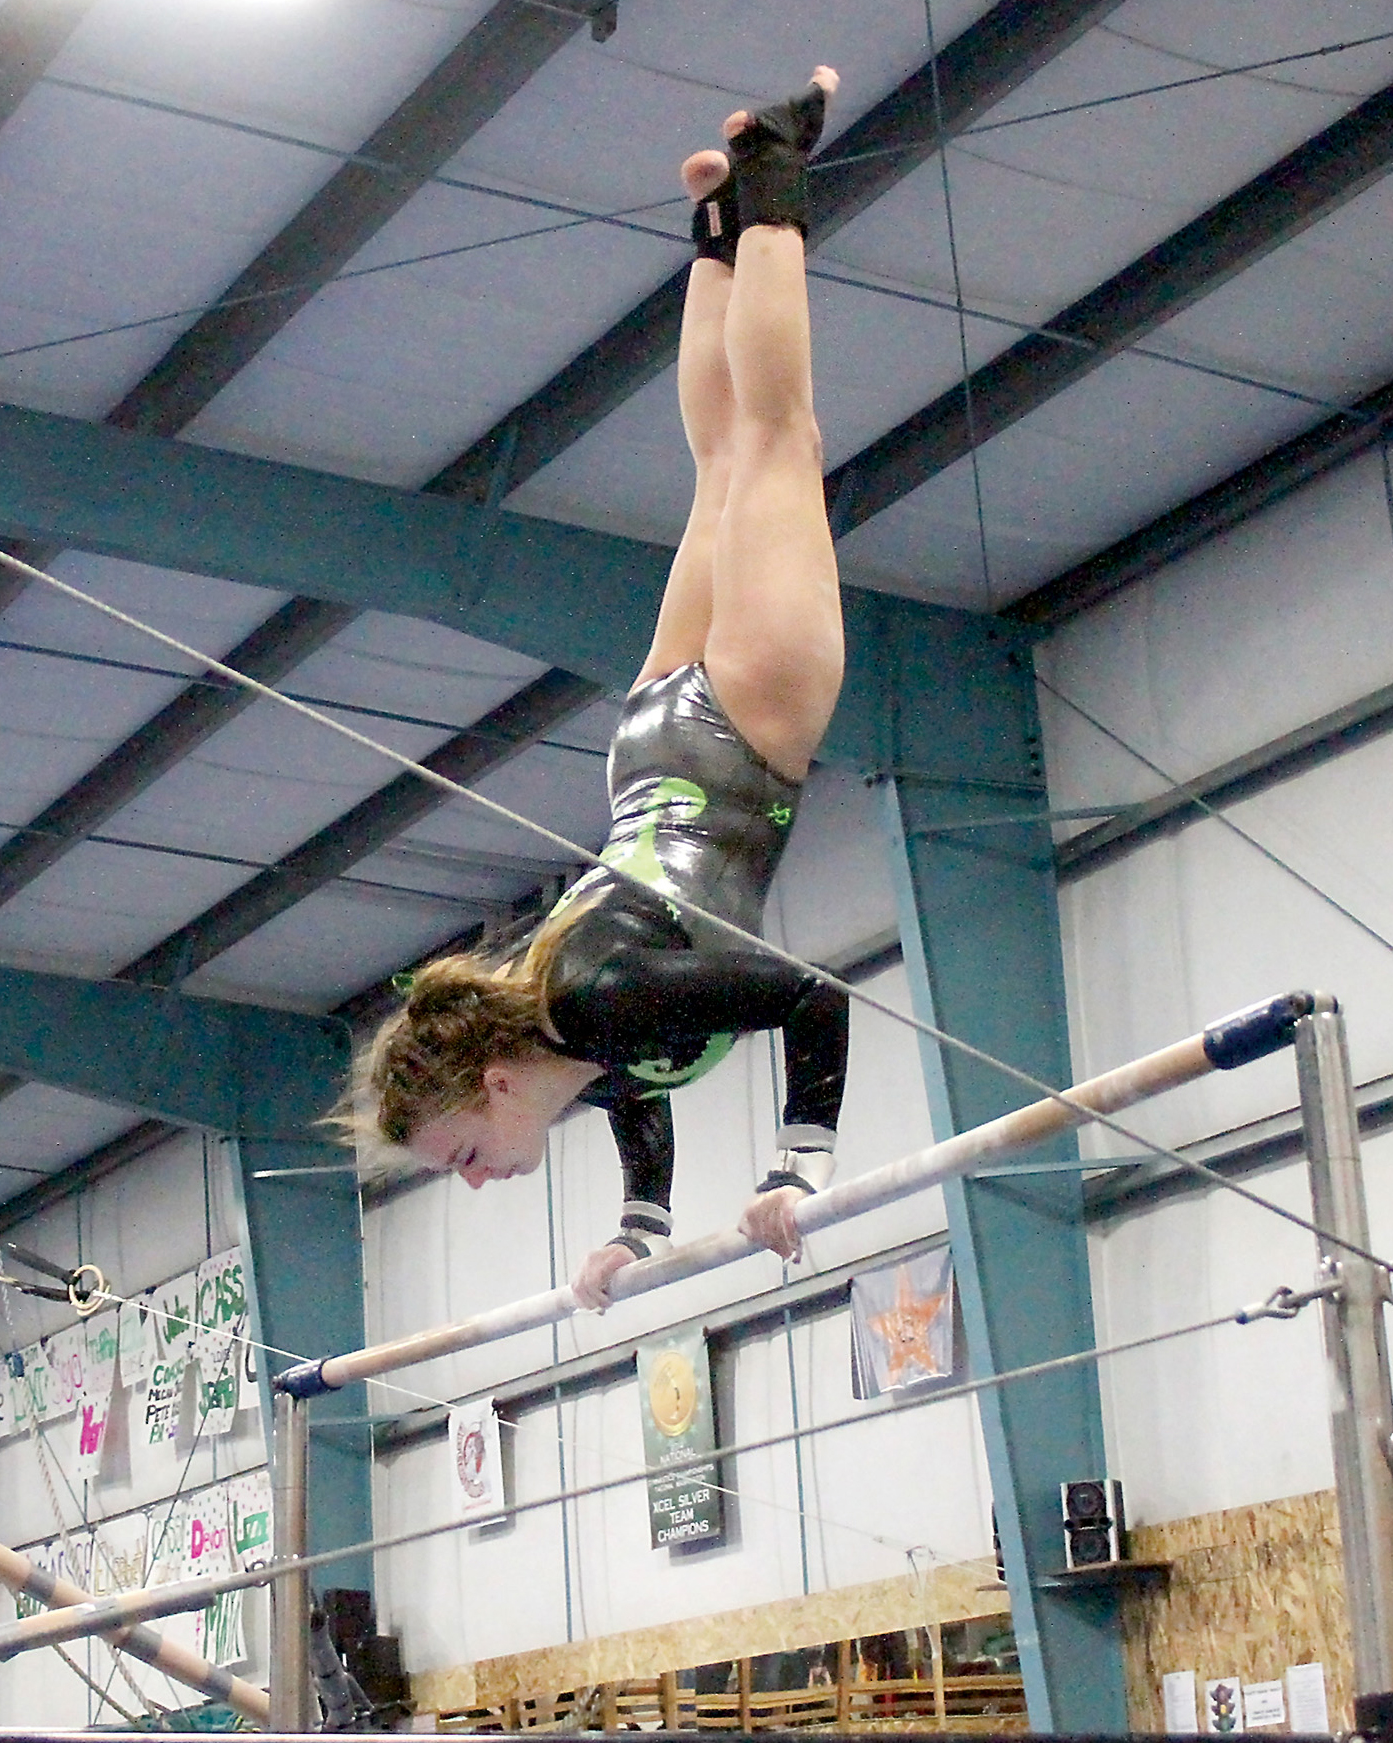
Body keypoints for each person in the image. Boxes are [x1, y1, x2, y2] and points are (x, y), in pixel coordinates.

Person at [349, 69, 850, 1309]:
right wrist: (638, 1229)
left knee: (777, 441)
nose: (473, 1182)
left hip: (742, 742)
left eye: (464, 1153)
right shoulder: (570, 1030)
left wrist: (804, 1169)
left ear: (497, 1081)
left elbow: (808, 995)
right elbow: (635, 1092)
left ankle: (774, 178)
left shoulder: (598, 1003)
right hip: (648, 755)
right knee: (721, 466)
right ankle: (718, 222)